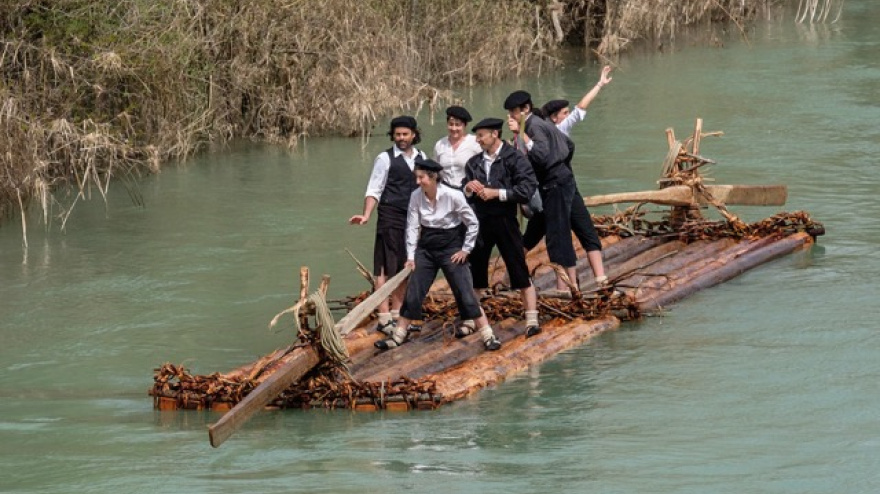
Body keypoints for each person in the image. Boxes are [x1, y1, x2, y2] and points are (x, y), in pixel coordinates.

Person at [375, 158, 502, 351]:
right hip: (426, 246)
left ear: (433, 177)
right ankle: (399, 334)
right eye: (416, 177)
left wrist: (466, 249)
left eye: (421, 178)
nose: (418, 182)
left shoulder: (453, 195)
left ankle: (488, 334)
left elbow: (472, 223)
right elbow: (412, 226)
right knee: (415, 290)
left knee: (465, 291)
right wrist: (411, 256)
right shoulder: (416, 196)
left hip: (451, 246)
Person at [523, 65, 614, 286]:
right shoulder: (549, 133)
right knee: (555, 238)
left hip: (560, 189)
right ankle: (562, 285)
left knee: (557, 236)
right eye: (564, 113)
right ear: (554, 118)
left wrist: (599, 84)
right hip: (549, 194)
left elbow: (581, 107)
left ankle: (595, 280)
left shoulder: (552, 131)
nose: (569, 115)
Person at [463, 118, 542, 338]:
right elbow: (464, 189)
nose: (477, 140)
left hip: (506, 220)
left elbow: (526, 189)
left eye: (481, 135)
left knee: (519, 269)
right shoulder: (473, 163)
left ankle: (532, 319)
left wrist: (497, 193)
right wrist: (469, 187)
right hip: (480, 221)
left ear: (494, 134)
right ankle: (471, 319)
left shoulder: (514, 158)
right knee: (476, 273)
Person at [349, 116, 427, 336]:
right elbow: (374, 189)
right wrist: (366, 215)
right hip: (390, 215)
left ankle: (397, 311)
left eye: (405, 134)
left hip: (413, 218)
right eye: (397, 134)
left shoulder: (422, 157)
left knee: (406, 263)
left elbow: (427, 189)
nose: (401, 138)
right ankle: (384, 316)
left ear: (414, 134)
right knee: (384, 264)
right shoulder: (385, 158)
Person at [504, 90, 580, 293]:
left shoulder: (534, 126)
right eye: (509, 112)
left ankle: (563, 287)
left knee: (557, 235)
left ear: (525, 109)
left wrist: (521, 135)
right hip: (553, 183)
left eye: (514, 112)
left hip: (556, 183)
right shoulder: (536, 125)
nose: (511, 116)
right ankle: (569, 284)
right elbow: (569, 146)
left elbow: (541, 155)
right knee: (547, 231)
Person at [433, 106, 482, 188]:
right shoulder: (440, 144)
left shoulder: (474, 142)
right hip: (445, 190)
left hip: (468, 190)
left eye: (458, 125)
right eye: (451, 124)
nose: (454, 128)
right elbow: (435, 169)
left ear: (465, 125)